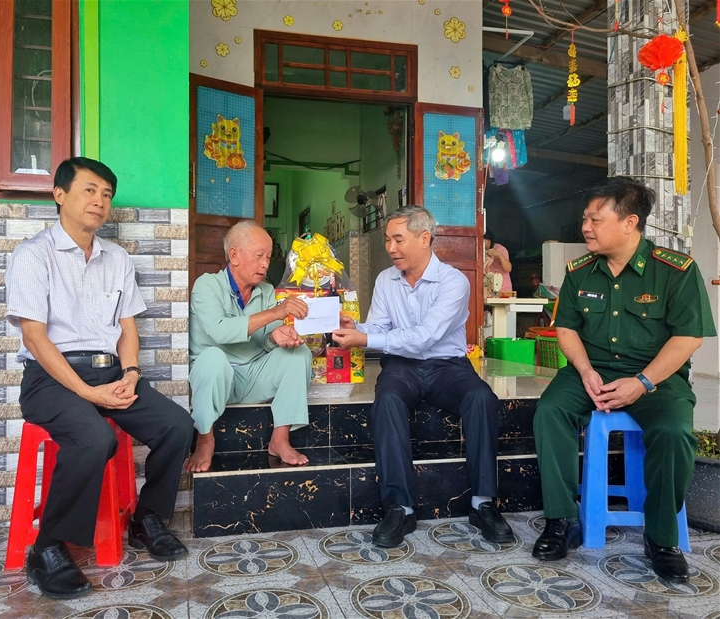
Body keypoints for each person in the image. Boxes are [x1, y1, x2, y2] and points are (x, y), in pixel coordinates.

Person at [5, 157, 194, 599]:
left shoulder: (117, 258)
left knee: (177, 425)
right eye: (89, 190)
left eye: (106, 194)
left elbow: (127, 329)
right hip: (51, 379)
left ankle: (146, 520)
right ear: (60, 195)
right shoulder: (33, 255)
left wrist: (130, 374)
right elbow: (34, 337)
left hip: (110, 371)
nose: (100, 201)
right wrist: (86, 391)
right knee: (94, 438)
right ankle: (48, 547)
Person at [531, 177, 716, 583]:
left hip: (656, 380)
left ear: (630, 222)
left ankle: (662, 537)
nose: (586, 227)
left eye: (596, 219)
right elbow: (567, 328)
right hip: (590, 372)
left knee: (673, 431)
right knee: (550, 411)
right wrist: (584, 370)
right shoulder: (580, 271)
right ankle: (562, 521)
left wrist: (643, 383)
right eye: (585, 218)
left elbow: (689, 337)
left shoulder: (675, 271)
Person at [332, 205, 513, 548]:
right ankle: (399, 508)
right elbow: (381, 327)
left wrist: (367, 338)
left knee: (482, 398)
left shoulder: (454, 282)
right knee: (386, 400)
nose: (390, 248)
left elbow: (426, 337)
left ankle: (483, 503)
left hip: (448, 367)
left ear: (424, 238)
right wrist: (356, 328)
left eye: (398, 239)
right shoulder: (387, 279)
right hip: (402, 366)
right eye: (388, 240)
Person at [186, 220, 313, 473]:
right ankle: (204, 438)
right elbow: (220, 330)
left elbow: (263, 341)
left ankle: (280, 438)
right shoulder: (207, 285)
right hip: (217, 379)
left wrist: (277, 337)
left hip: (254, 375)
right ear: (234, 255)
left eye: (268, 256)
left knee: (299, 353)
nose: (265, 263)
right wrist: (276, 313)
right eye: (259, 256)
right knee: (212, 357)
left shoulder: (265, 291)